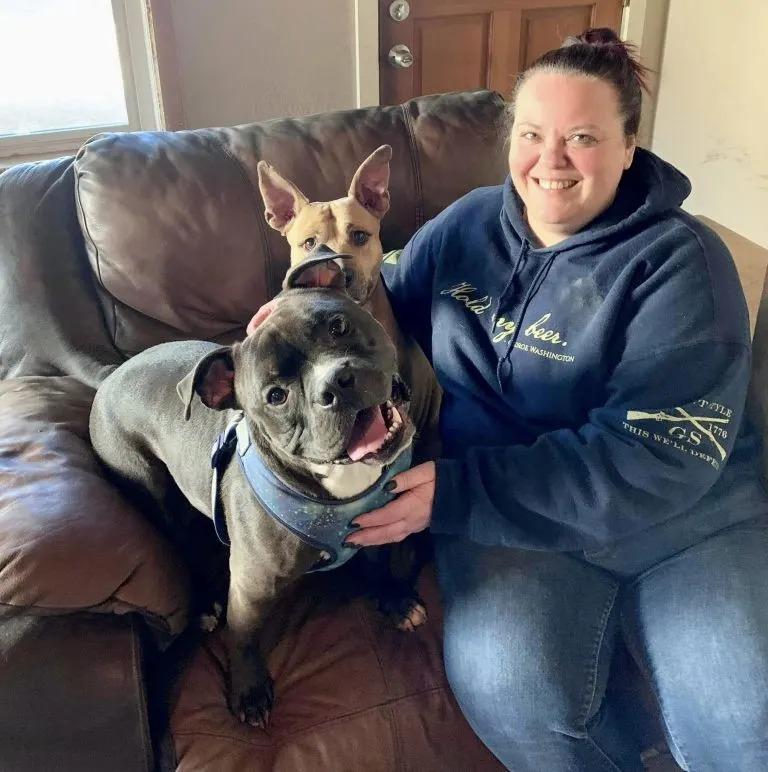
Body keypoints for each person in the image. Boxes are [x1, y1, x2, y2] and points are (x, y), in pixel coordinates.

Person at [345, 28, 768, 772]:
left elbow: (657, 458)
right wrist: (297, 315)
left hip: (688, 521)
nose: (551, 160)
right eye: (533, 134)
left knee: (746, 723)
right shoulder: (467, 226)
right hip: (515, 526)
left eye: (582, 137)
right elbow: (378, 302)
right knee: (513, 696)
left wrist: (460, 491)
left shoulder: (682, 263)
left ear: (631, 145)